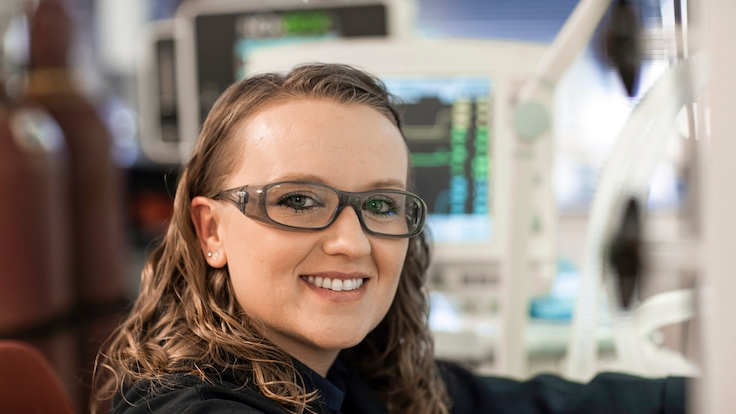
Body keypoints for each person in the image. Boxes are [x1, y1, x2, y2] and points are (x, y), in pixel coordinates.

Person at [93, 63, 686, 414]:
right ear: (211, 230)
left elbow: (543, 406)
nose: (351, 243)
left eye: (380, 204)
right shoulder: (188, 408)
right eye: (298, 201)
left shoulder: (356, 376)